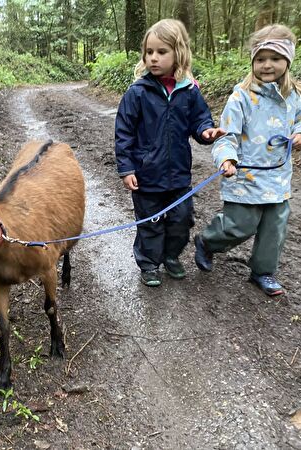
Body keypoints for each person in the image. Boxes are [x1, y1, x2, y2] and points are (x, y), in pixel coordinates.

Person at [194, 24, 301, 296]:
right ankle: (208, 241)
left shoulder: (293, 97)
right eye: (260, 59)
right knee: (240, 225)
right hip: (244, 176)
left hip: (279, 177)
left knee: (275, 228)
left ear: (288, 61)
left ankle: (263, 271)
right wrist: (226, 158)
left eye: (275, 58)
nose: (267, 65)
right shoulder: (241, 97)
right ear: (252, 61)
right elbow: (226, 135)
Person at [115, 19, 225, 287]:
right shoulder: (137, 92)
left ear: (178, 53)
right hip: (146, 175)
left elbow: (199, 120)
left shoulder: (189, 91)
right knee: (150, 222)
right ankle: (149, 264)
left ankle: (171, 256)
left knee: (181, 218)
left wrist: (206, 132)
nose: (154, 58)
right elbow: (124, 132)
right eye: (149, 52)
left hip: (178, 174)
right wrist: (127, 168)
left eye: (161, 52)